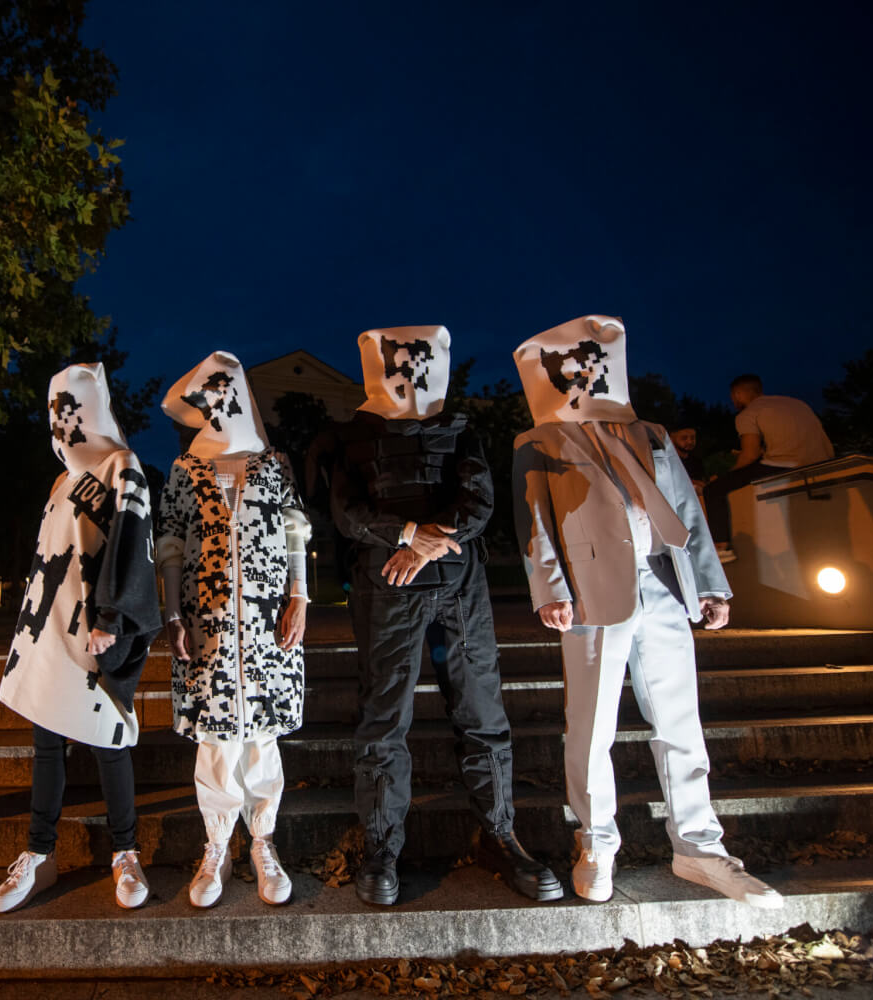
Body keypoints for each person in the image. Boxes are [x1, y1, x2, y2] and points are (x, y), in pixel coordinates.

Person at [511, 315, 782, 909]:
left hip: (662, 582)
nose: (585, 372)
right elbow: (534, 520)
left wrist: (710, 585)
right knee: (591, 725)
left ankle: (700, 847)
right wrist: (549, 589)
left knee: (681, 722)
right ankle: (596, 842)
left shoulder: (653, 433)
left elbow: (686, 508)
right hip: (588, 592)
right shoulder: (539, 440)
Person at [329, 325, 561, 906]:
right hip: (386, 590)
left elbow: (478, 500)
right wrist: (405, 534)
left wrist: (425, 544)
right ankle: (382, 848)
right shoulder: (350, 437)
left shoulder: (460, 431)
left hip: (460, 589)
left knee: (482, 712)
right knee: (384, 719)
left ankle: (501, 834)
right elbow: (346, 510)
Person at [0, 363, 161, 913]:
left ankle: (126, 852)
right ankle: (39, 853)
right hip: (51, 628)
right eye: (55, 410)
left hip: (94, 630)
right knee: (47, 743)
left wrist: (112, 618)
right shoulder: (61, 479)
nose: (64, 422)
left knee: (108, 740)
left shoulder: (122, 466)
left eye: (73, 408)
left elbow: (132, 542)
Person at [156, 351, 310, 908]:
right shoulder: (186, 469)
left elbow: (296, 532)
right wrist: (172, 613)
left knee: (262, 734)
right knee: (216, 738)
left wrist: (301, 597)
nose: (218, 402)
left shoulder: (273, 463)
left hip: (268, 619)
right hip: (206, 619)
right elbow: (170, 544)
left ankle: (263, 842)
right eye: (209, 396)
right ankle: (216, 845)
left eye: (226, 392)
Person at [703, 374, 834, 559]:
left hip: (784, 466)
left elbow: (750, 454)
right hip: (823, 462)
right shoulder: (796, 403)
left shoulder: (748, 413)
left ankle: (722, 547)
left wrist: (729, 474)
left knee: (713, 490)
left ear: (738, 394)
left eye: (733, 396)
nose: (733, 400)